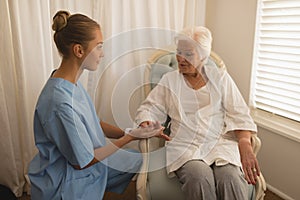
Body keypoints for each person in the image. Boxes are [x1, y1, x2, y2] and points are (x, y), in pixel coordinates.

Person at [28, 10, 170, 200]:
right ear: (79, 50)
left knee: (140, 160)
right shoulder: (60, 103)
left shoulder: (68, 83)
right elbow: (83, 162)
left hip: (85, 162)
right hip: (66, 181)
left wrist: (135, 133)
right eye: (98, 47)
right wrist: (130, 137)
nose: (102, 54)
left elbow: (94, 122)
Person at [135, 26, 261, 200]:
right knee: (199, 177)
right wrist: (147, 122)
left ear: (203, 55)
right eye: (179, 52)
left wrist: (245, 142)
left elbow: (239, 113)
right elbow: (150, 108)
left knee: (230, 178)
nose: (180, 58)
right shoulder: (170, 80)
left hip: (219, 143)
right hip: (185, 145)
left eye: (188, 54)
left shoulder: (221, 78)